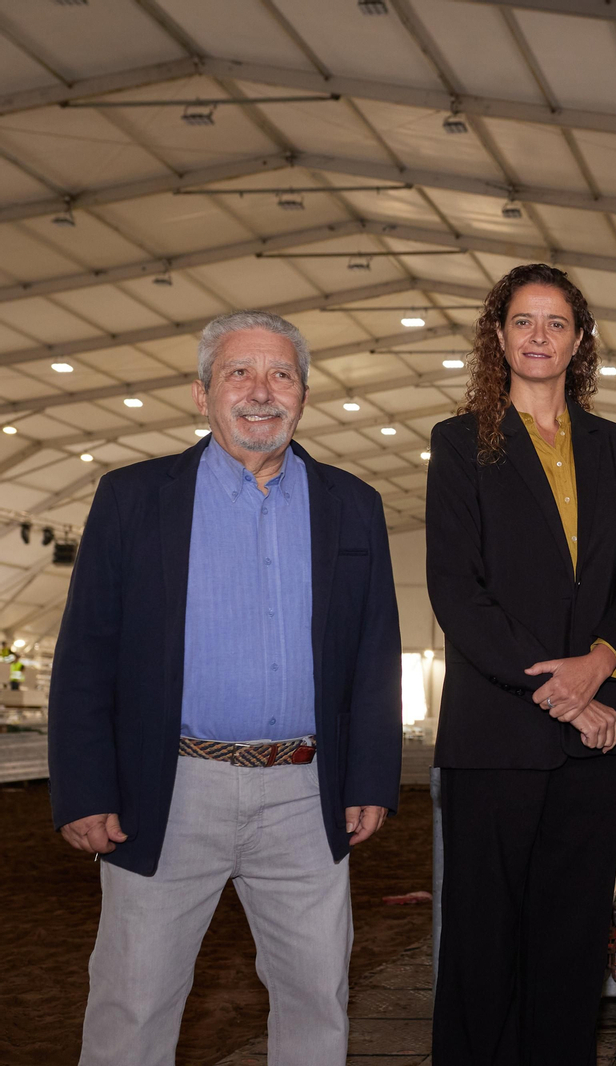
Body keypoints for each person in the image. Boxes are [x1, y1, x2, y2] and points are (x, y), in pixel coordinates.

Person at [48, 310, 402, 1066]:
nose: (260, 391)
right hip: (169, 790)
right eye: (238, 372)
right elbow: (87, 653)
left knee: (316, 998)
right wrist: (82, 787)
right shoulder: (132, 498)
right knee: (132, 1000)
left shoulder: (352, 504)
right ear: (202, 393)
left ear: (303, 394)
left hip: (306, 795)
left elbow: (375, 651)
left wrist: (370, 775)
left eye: (280, 374)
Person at [426, 263, 616, 1064]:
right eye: (523, 321)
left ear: (580, 340)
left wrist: (599, 664)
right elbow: (459, 594)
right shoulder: (461, 443)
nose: (539, 336)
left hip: (593, 739)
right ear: (498, 337)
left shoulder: (614, 447)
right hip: (498, 734)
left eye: (556, 323)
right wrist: (562, 691)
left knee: (570, 944)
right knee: (484, 943)